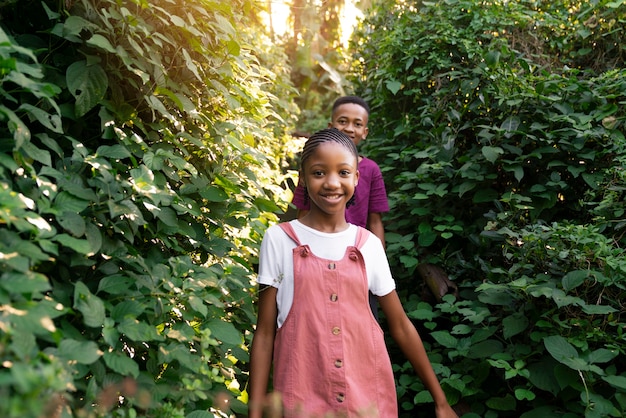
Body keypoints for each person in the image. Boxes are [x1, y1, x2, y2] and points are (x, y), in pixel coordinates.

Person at [248, 128, 458, 418]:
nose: (332, 183)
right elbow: (265, 333)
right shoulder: (278, 240)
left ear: (357, 178)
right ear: (303, 176)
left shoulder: (369, 245)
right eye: (319, 172)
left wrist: (441, 401)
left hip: (368, 400)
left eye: (343, 172)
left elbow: (400, 325)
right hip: (301, 400)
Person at [292, 96, 388, 317]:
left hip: (356, 259)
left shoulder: (371, 170)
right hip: (316, 258)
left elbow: (375, 221)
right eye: (343, 121)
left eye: (357, 123)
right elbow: (303, 213)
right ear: (331, 125)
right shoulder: (312, 168)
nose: (349, 128)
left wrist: (377, 263)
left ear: (365, 131)